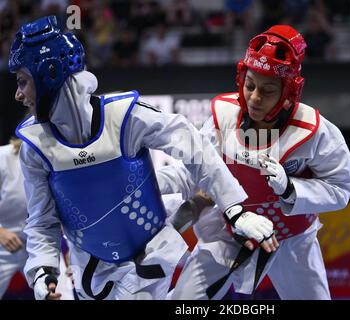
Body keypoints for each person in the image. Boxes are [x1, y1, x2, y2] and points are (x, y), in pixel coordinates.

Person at [9, 15, 275, 300]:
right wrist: (42, 269)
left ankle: (216, 248)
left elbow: (195, 147)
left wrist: (234, 210)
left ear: (49, 75)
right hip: (89, 272)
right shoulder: (34, 146)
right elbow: (42, 220)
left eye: (23, 82)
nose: (18, 94)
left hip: (149, 255)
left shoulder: (124, 117)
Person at [171, 25, 350, 300]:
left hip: (291, 237)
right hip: (230, 231)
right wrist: (192, 205)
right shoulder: (222, 117)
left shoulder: (313, 131)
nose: (255, 98)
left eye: (268, 91)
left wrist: (291, 190)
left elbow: (341, 188)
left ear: (288, 92)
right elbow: (202, 173)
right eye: (250, 86)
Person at [0, 138, 28, 298]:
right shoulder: (3, 157)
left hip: (38, 244)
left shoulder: (56, 160)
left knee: (59, 293)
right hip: (2, 241)